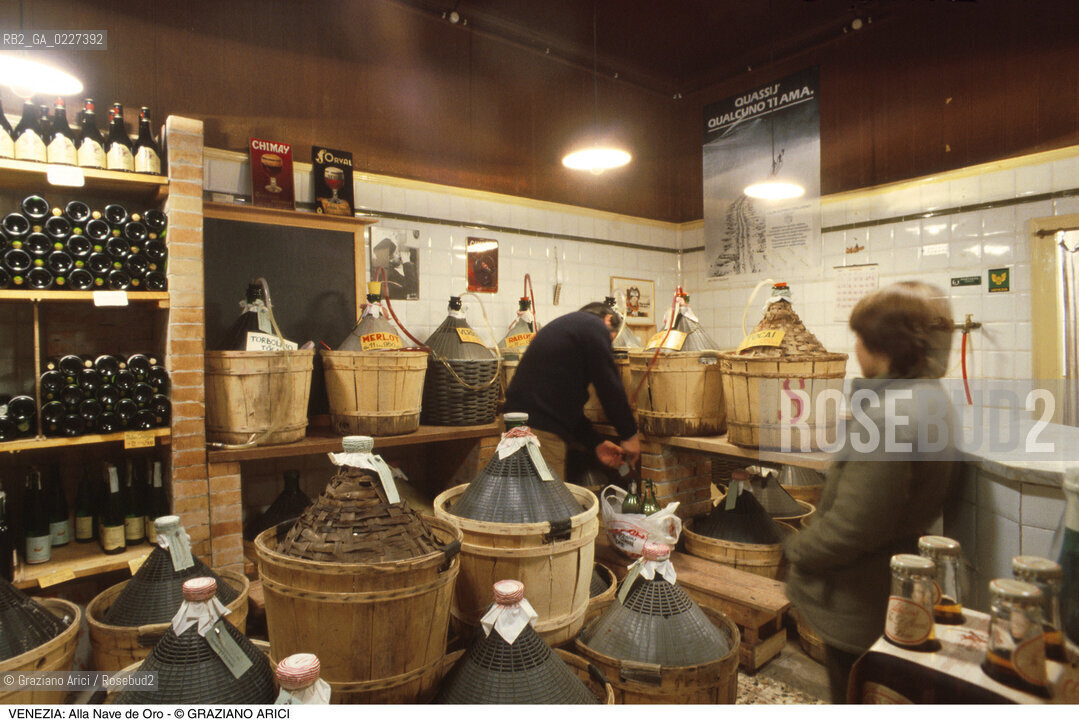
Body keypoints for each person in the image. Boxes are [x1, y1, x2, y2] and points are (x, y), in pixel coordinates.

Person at [783, 281, 961, 703]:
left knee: (855, 692)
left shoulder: (888, 417)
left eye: (859, 338)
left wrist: (795, 550)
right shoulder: (932, 399)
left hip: (859, 603)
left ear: (880, 347)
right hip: (892, 595)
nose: (856, 349)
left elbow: (853, 526)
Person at [504, 302, 640, 473]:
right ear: (608, 319)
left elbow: (564, 405)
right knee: (548, 491)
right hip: (540, 435)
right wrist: (629, 434)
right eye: (610, 339)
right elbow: (608, 384)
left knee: (518, 489)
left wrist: (596, 443)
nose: (608, 344)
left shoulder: (570, 328)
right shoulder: (594, 327)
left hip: (514, 425)